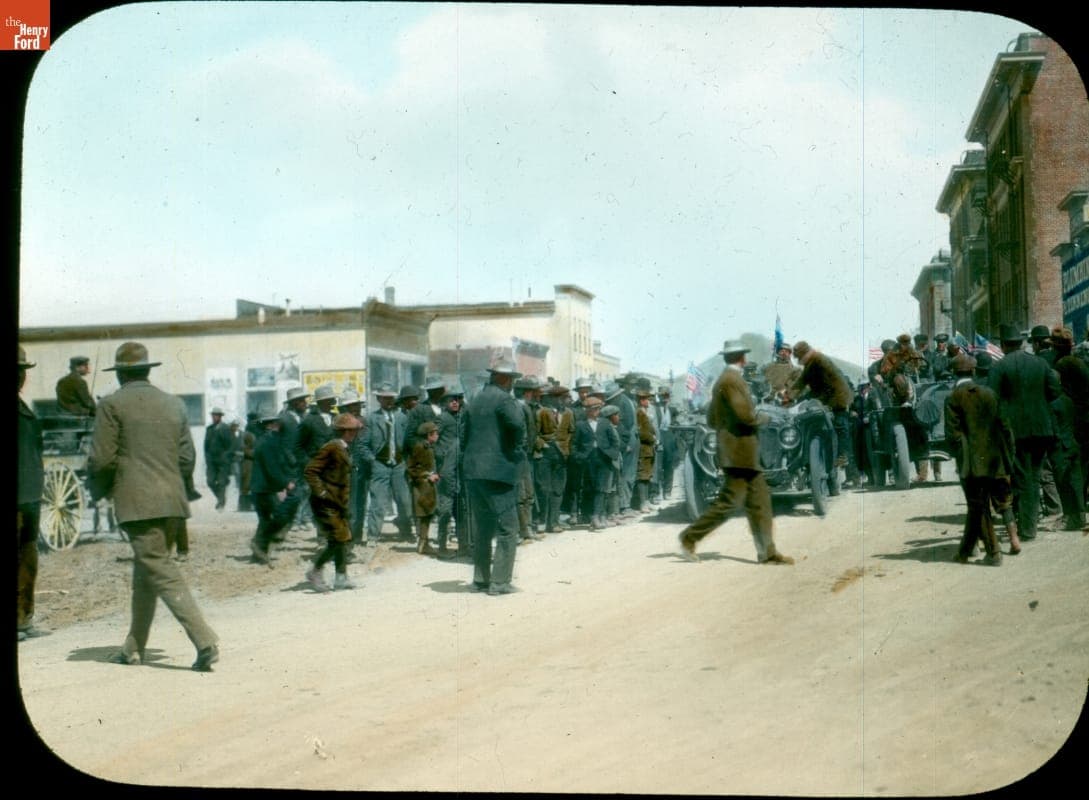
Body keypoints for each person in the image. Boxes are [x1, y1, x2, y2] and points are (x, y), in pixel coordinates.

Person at [86, 342, 219, 671]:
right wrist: (175, 484)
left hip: (137, 503)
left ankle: (204, 639)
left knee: (160, 569)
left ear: (120, 374)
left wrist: (99, 491)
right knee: (148, 572)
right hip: (173, 502)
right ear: (147, 370)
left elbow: (101, 458)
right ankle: (134, 646)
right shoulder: (173, 404)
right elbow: (187, 457)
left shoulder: (111, 405)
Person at [679, 341, 794, 565]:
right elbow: (746, 415)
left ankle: (768, 553)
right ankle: (688, 538)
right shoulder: (731, 381)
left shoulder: (725, 381)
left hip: (743, 454)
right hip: (739, 454)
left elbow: (712, 418)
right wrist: (764, 418)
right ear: (742, 358)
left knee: (760, 503)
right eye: (744, 356)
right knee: (728, 504)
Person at [988, 323, 1062, 542]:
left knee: (1020, 477)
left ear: (1003, 345)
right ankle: (1029, 525)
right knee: (1034, 475)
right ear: (1021, 343)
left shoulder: (999, 367)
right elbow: (1055, 391)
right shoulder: (1040, 363)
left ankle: (1026, 528)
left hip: (1013, 432)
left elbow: (992, 399)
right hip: (1042, 429)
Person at [944, 353, 1018, 564]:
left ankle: (994, 553)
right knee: (985, 505)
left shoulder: (953, 397)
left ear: (953, 373)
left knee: (979, 506)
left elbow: (952, 436)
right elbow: (1005, 427)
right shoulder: (989, 393)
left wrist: (961, 459)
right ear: (973, 372)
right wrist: (1008, 457)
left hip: (971, 464)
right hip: (996, 459)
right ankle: (965, 552)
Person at [461, 360, 527, 596]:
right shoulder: (504, 399)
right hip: (498, 472)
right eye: (512, 380)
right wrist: (515, 450)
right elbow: (517, 425)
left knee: (483, 528)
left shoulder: (474, 399)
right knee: (508, 528)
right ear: (504, 379)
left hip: (473, 472)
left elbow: (464, 433)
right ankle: (499, 583)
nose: (512, 385)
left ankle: (480, 580)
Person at [304, 412, 364, 592]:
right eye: (353, 431)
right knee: (338, 538)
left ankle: (340, 577)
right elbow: (310, 471)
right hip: (326, 503)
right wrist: (321, 492)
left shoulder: (344, 447)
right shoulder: (332, 447)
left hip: (337, 502)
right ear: (344, 431)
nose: (355, 433)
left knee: (340, 539)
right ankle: (315, 571)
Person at [790, 340, 860, 486]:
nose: (798, 362)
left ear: (805, 354)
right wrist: (790, 396)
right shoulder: (813, 361)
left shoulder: (817, 361)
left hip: (838, 396)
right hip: (831, 396)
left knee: (840, 426)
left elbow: (821, 385)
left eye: (799, 358)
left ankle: (843, 455)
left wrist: (793, 398)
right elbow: (801, 382)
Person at [362, 383, 413, 544]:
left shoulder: (403, 418)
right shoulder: (371, 418)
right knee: (378, 501)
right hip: (380, 464)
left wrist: (406, 460)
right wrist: (373, 460)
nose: (389, 401)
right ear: (379, 399)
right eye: (385, 398)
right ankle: (372, 535)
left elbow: (409, 442)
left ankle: (406, 531)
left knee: (404, 500)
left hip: (399, 464)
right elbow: (363, 445)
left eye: (391, 398)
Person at [248, 412, 301, 564]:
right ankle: (259, 546)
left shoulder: (263, 441)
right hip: (264, 489)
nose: (278, 426)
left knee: (265, 520)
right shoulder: (268, 443)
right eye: (275, 423)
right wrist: (286, 483)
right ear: (269, 425)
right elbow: (272, 468)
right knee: (279, 517)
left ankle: (259, 553)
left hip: (260, 488)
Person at [18, 346, 44, 642]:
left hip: (29, 499)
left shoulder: (26, 411)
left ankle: (23, 619)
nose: (21, 377)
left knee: (27, 560)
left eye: (22, 371)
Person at [435, 383, 469, 556]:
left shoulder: (463, 417)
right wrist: (441, 456)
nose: (455, 402)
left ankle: (464, 546)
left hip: (461, 470)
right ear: (445, 402)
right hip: (447, 471)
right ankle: (441, 546)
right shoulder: (442, 419)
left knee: (461, 510)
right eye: (451, 400)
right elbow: (433, 441)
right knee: (445, 510)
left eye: (458, 399)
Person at [537, 383, 574, 532]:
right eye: (562, 398)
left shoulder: (569, 413)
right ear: (554, 399)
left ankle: (554, 523)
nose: (565, 401)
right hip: (545, 455)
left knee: (558, 489)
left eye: (565, 398)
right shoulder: (542, 412)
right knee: (544, 489)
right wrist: (542, 445)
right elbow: (535, 433)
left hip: (561, 456)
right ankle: (542, 522)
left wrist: (566, 447)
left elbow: (572, 431)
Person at [513, 375, 543, 542]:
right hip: (520, 456)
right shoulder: (518, 407)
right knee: (521, 494)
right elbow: (521, 434)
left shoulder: (526, 406)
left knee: (528, 493)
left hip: (527, 455)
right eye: (533, 391)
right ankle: (522, 529)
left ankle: (527, 528)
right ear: (527, 392)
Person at [407, 421, 442, 555]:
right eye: (435, 433)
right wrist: (427, 475)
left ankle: (424, 542)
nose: (437, 435)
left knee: (428, 513)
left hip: (428, 485)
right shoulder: (419, 447)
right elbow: (410, 468)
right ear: (429, 435)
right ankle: (423, 543)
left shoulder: (429, 446)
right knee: (424, 513)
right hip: (422, 485)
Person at [633, 385, 658, 511]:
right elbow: (642, 432)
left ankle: (646, 501)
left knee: (647, 475)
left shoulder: (644, 413)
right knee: (642, 475)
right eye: (647, 399)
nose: (649, 401)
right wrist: (653, 439)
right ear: (641, 400)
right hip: (643, 448)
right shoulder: (639, 413)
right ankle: (642, 503)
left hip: (648, 449)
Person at [203, 406, 234, 510]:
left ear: (220, 416)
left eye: (217, 415)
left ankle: (221, 503)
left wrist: (226, 457)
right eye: (213, 415)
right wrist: (207, 460)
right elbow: (206, 447)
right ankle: (221, 498)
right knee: (210, 482)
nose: (214, 417)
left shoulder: (225, 428)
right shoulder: (209, 429)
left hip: (222, 462)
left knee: (221, 482)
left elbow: (231, 446)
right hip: (211, 462)